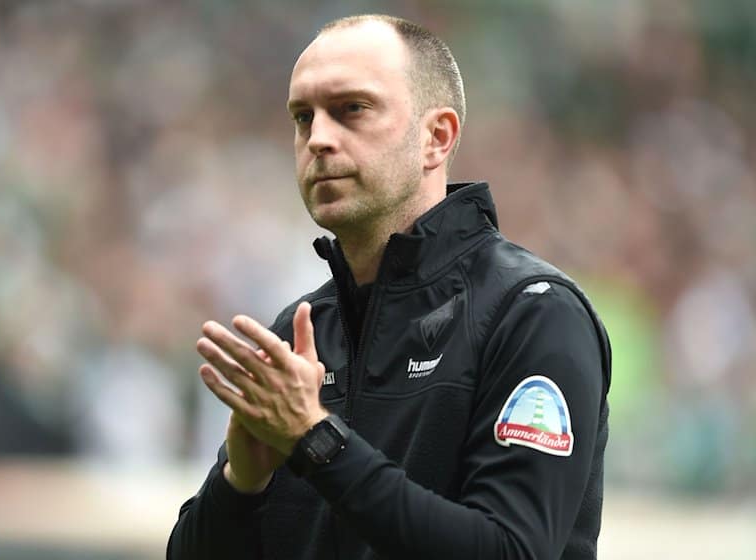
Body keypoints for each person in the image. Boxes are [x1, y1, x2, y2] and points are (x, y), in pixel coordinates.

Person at [167, 14, 611, 560]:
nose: (320, 139)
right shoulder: (301, 331)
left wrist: (317, 440)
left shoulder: (532, 315)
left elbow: (511, 551)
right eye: (303, 117)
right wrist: (242, 481)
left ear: (436, 137)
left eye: (352, 109)